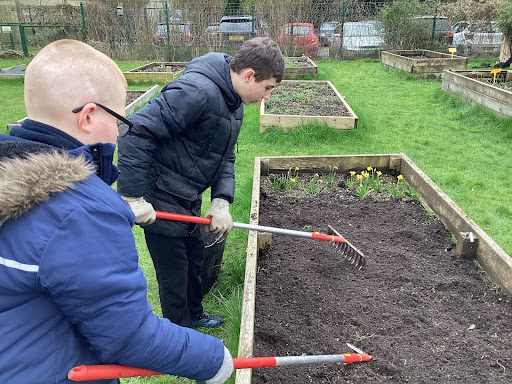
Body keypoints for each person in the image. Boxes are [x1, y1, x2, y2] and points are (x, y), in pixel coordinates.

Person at [0, 39, 233, 384]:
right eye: (120, 118)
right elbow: (128, 336)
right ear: (89, 116)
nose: (121, 130)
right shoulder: (80, 211)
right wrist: (215, 360)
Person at [117, 37, 285, 328]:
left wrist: (221, 201)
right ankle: (179, 331)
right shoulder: (196, 92)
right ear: (249, 76)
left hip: (187, 194)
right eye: (267, 87)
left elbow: (225, 156)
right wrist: (132, 197)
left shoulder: (234, 104)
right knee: (175, 270)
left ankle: (194, 314)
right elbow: (136, 133)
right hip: (159, 192)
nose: (267, 96)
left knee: (195, 258)